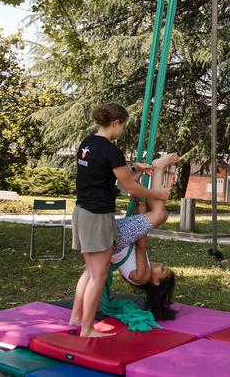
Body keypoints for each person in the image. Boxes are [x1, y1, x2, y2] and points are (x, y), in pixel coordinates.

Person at [68, 102, 176, 338]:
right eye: (123, 126)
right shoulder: (111, 150)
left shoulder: (87, 144)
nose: (123, 131)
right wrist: (158, 194)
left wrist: (132, 168)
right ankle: (86, 329)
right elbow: (130, 187)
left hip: (83, 212)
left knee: (90, 272)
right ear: (115, 123)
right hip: (98, 217)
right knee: (98, 275)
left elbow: (110, 178)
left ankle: (77, 317)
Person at [110, 170, 177, 320]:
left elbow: (140, 246)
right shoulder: (142, 276)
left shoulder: (142, 276)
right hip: (119, 240)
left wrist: (141, 217)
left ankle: (158, 168)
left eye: (163, 269)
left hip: (117, 242)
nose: (161, 264)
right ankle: (136, 185)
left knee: (160, 215)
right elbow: (134, 240)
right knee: (152, 212)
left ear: (156, 281)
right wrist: (138, 213)